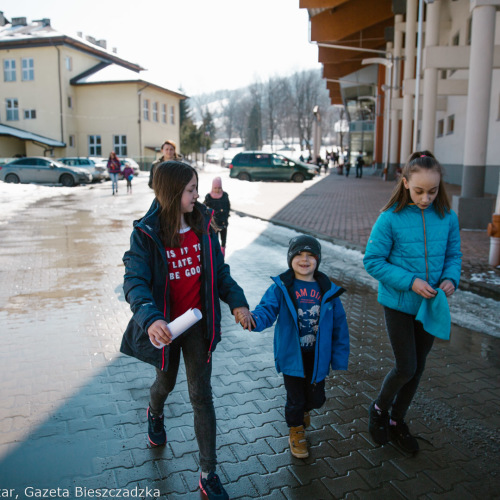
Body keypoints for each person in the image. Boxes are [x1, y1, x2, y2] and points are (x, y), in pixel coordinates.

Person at [121, 160, 254, 499]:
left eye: (197, 189)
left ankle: (208, 472)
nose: (198, 195)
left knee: (201, 395)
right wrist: (151, 319)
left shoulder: (204, 225)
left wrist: (237, 302)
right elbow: (135, 282)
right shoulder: (146, 233)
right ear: (171, 192)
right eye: (191, 190)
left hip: (198, 325)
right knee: (164, 383)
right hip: (165, 328)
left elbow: (220, 274)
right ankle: (155, 412)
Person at [363, 151, 462, 454]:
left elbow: (453, 256)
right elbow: (372, 261)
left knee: (417, 370)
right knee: (406, 366)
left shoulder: (447, 217)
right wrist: (411, 281)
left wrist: (450, 279)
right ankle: (379, 409)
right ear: (405, 183)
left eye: (432, 191)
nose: (426, 198)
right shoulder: (389, 218)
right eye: (419, 191)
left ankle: (397, 421)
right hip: (398, 304)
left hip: (430, 306)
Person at [247, 235, 349, 459]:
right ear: (290, 258)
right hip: (292, 356)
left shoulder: (328, 290)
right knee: (295, 399)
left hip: (318, 357)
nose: (304, 260)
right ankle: (296, 431)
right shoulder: (282, 287)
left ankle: (304, 412)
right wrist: (254, 320)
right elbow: (266, 310)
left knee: (316, 399)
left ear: (318, 260)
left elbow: (340, 327)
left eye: (310, 256)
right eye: (299, 255)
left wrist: (339, 358)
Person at [204, 177, 230, 256]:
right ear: (212, 187)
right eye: (215, 188)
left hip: (223, 221)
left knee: (223, 240)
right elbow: (205, 208)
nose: (217, 190)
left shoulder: (224, 195)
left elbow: (228, 207)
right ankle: (215, 254)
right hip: (213, 223)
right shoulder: (208, 197)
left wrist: (225, 214)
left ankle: (222, 254)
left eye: (219, 188)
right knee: (214, 239)